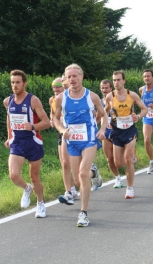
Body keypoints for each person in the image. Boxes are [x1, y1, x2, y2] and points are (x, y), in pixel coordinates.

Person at [53, 63, 107, 227]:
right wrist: (62, 130)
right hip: (72, 142)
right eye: (69, 77)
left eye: (75, 76)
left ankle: (83, 213)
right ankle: (94, 172)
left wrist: (103, 130)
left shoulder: (92, 97)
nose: (72, 79)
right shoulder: (61, 98)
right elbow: (55, 118)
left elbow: (104, 115)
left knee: (82, 175)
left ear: (82, 77)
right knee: (78, 179)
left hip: (89, 139)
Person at [3, 69, 51, 218]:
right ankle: (26, 189)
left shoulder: (33, 100)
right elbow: (9, 119)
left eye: (18, 82)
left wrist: (33, 126)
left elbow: (47, 122)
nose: (15, 85)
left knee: (34, 177)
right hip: (17, 142)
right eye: (12, 83)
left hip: (33, 142)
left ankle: (40, 204)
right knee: (14, 175)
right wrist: (9, 137)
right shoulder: (8, 101)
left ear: (24, 83)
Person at [104, 70, 148, 198]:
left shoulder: (132, 95)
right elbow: (105, 112)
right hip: (116, 131)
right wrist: (103, 123)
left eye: (118, 80)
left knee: (127, 159)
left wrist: (138, 116)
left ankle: (130, 188)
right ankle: (130, 156)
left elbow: (145, 109)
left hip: (130, 130)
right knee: (118, 163)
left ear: (124, 81)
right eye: (114, 80)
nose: (116, 82)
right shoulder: (110, 97)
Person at [49, 78, 79, 205]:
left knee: (77, 167)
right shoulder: (53, 100)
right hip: (62, 133)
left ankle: (92, 171)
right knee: (65, 164)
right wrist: (53, 121)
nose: (56, 90)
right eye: (54, 88)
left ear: (64, 87)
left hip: (76, 133)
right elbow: (52, 114)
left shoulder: (70, 98)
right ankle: (70, 192)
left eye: (58, 87)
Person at [99, 79, 122, 187]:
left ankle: (131, 154)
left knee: (120, 160)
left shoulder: (116, 99)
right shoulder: (98, 102)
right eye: (102, 88)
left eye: (106, 88)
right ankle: (117, 178)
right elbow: (97, 118)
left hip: (118, 131)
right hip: (106, 132)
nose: (104, 90)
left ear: (111, 88)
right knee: (109, 158)